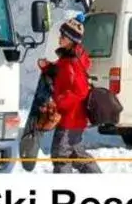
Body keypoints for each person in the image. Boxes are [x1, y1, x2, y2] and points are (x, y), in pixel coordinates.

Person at [39, 16, 101, 173]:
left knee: (60, 155)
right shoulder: (67, 59)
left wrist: (58, 102)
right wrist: (48, 67)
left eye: (63, 36)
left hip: (71, 118)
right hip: (72, 117)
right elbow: (61, 74)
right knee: (75, 154)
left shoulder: (73, 62)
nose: (60, 38)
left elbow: (80, 91)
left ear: (71, 40)